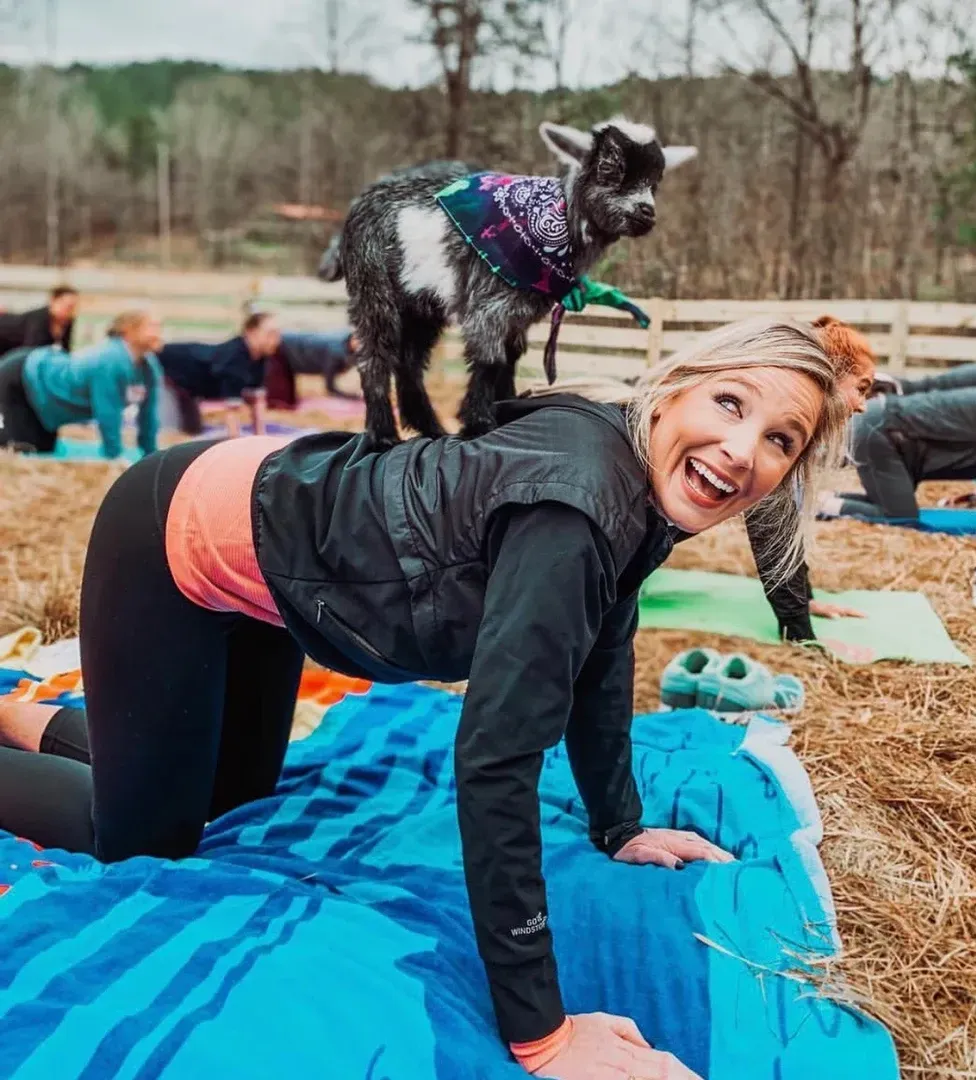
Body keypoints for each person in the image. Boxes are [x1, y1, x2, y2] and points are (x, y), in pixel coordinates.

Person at [0, 317, 847, 1080]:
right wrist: (541, 1033)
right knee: (141, 839)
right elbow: (495, 759)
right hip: (175, 533)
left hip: (282, 555)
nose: (743, 449)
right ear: (672, 393)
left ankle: (25, 717)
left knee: (233, 797)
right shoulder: (577, 508)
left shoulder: (639, 489)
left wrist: (618, 822)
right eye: (730, 403)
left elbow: (605, 650)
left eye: (780, 439)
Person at [746, 315, 877, 643]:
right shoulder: (775, 426)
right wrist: (799, 633)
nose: (862, 406)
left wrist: (806, 599)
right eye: (860, 389)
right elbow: (771, 532)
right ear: (828, 376)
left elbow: (786, 527)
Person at [818, 383, 976, 522]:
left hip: (884, 430)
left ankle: (829, 499)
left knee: (888, 504)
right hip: (881, 432)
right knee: (899, 515)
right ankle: (822, 505)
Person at [0, 310, 163, 459]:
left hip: (41, 397)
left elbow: (149, 416)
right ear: (128, 330)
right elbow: (107, 413)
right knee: (22, 449)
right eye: (152, 327)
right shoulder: (109, 360)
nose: (159, 333)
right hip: (20, 377)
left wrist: (151, 457)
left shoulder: (149, 366)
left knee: (44, 449)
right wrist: (115, 458)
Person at [158, 312, 282, 434]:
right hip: (171, 370)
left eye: (277, 335)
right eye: (270, 334)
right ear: (251, 333)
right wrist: (237, 446)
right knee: (171, 431)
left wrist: (261, 439)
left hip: (191, 387)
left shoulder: (260, 360)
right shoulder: (234, 359)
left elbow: (257, 402)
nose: (275, 340)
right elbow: (232, 413)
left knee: (193, 430)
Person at [0, 285, 79, 357]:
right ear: (53, 301)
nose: (69, 311)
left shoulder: (66, 322)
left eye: (73, 307)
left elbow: (65, 348)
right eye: (67, 306)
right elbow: (31, 350)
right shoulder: (39, 318)